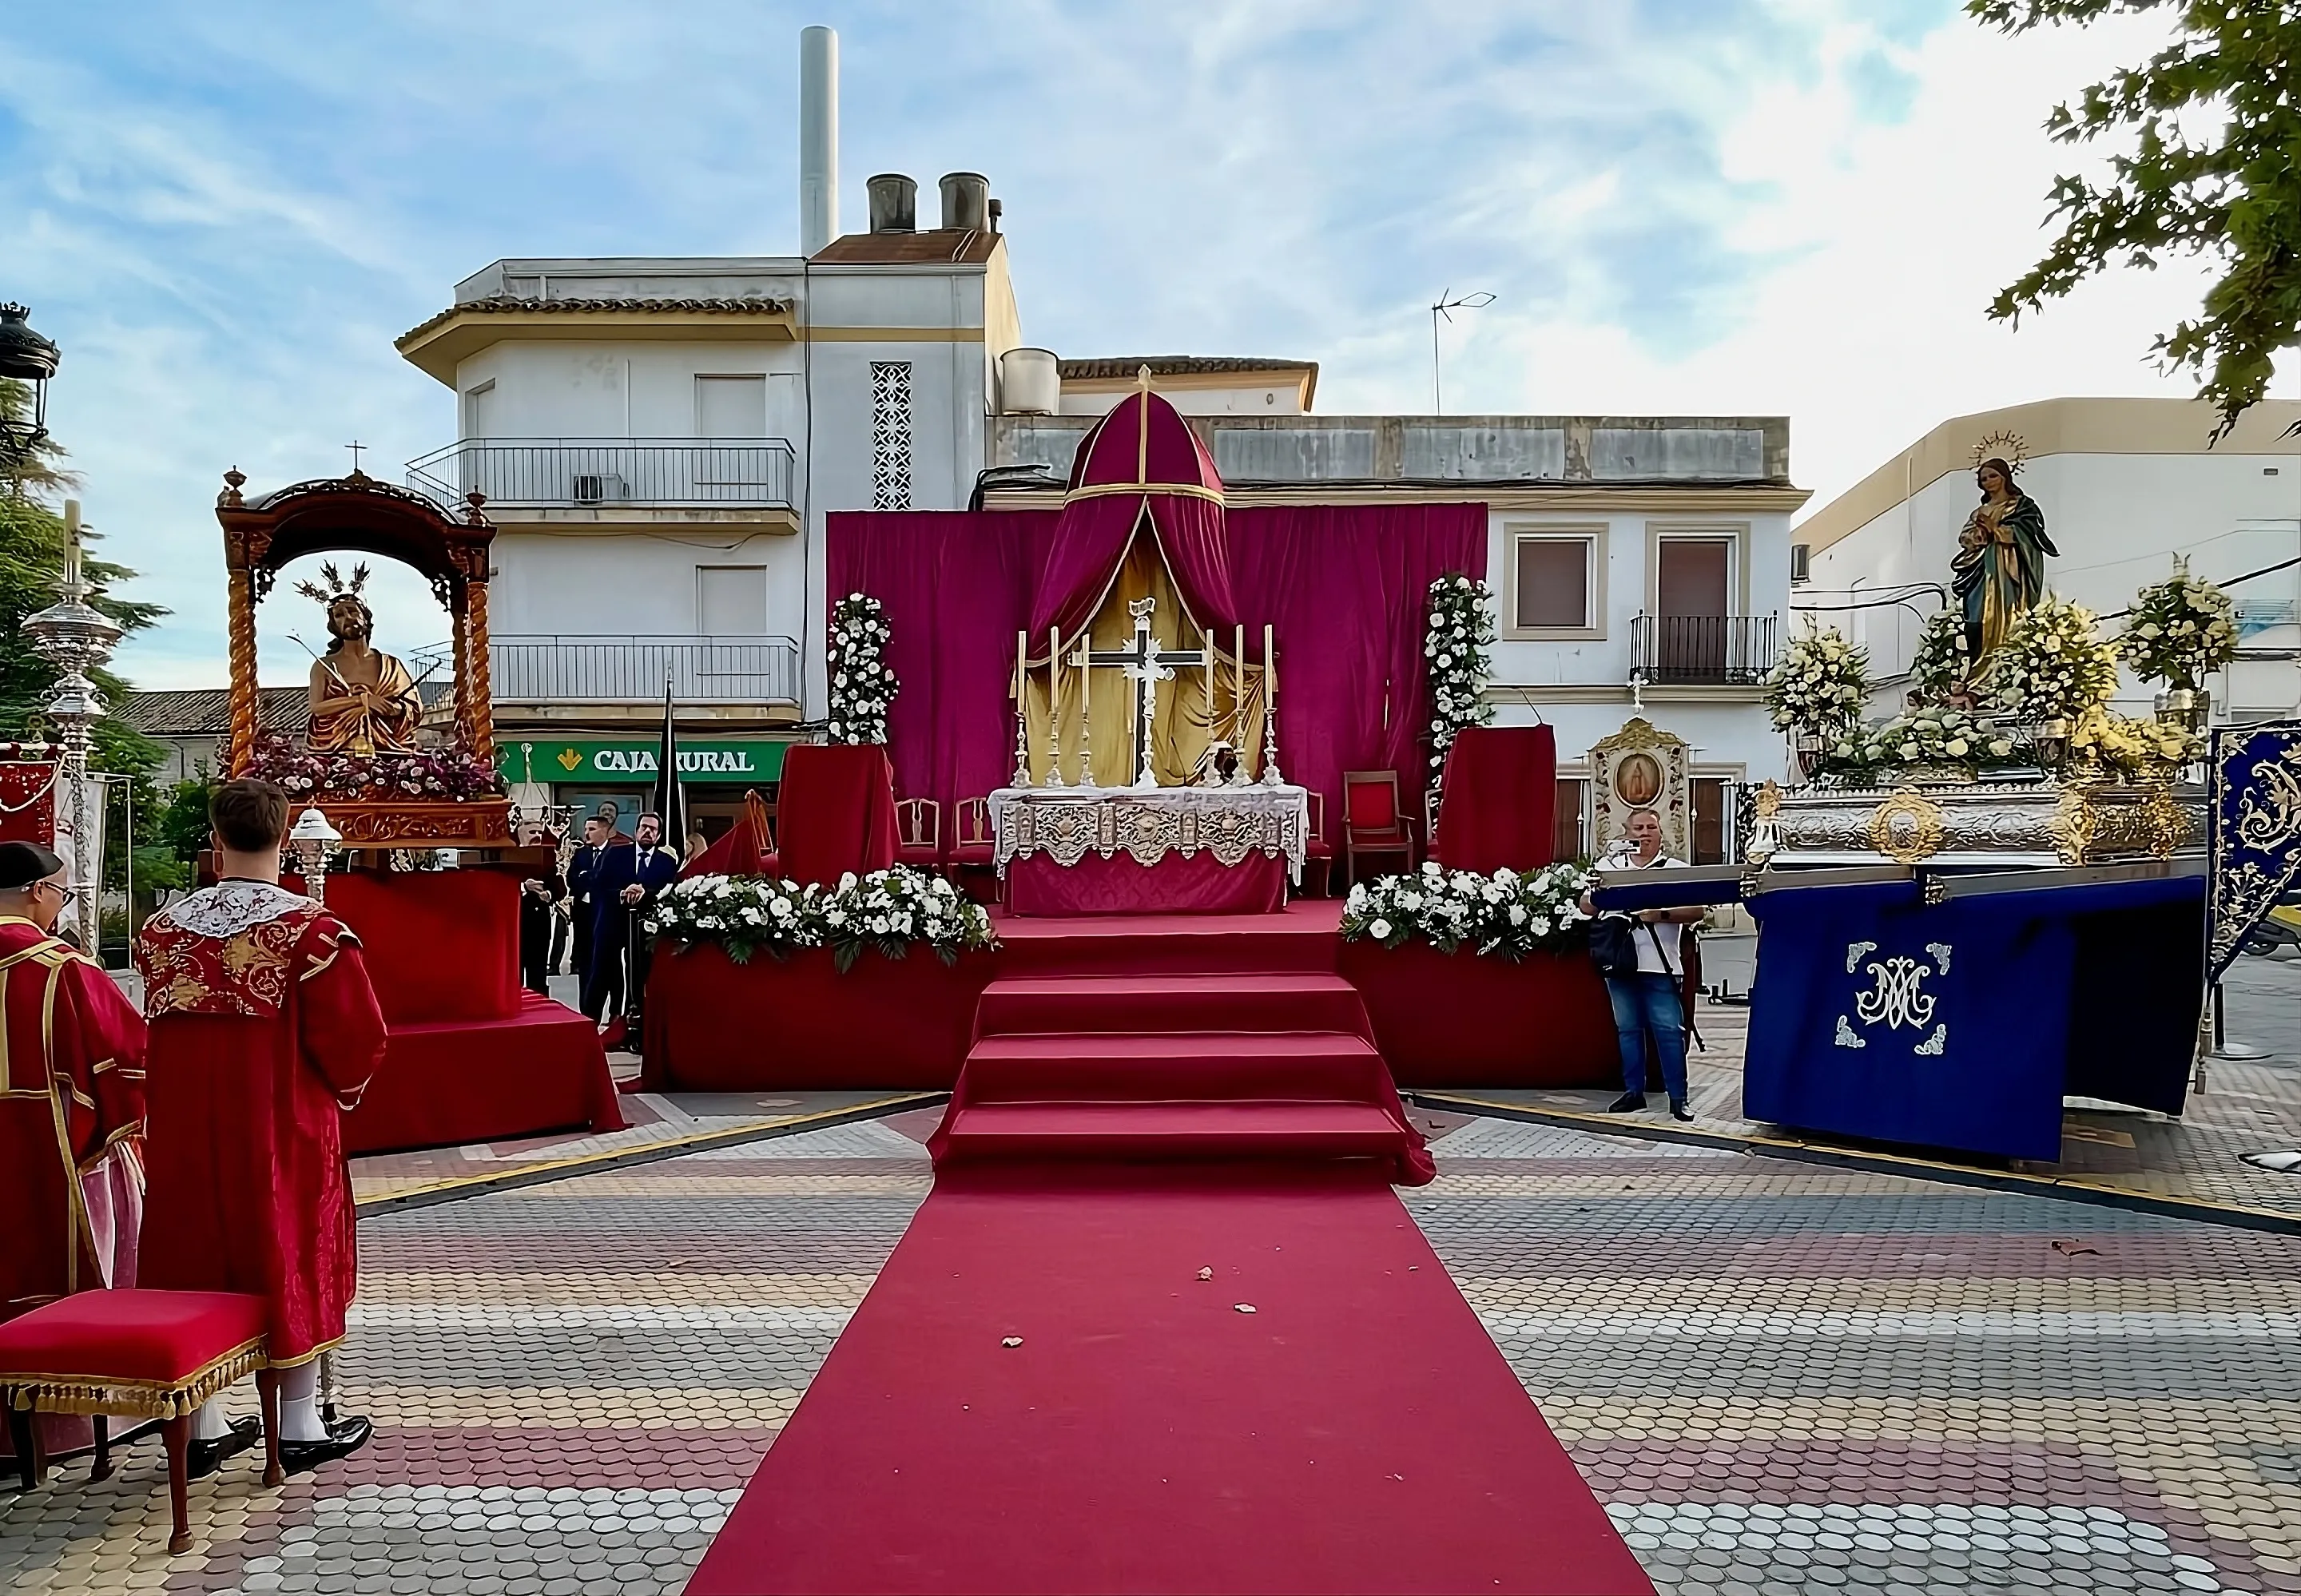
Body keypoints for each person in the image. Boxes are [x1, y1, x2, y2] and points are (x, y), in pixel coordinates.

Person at [134, 778, 388, 1476]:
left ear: (215, 842)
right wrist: (344, 1093)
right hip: (283, 1126)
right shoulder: (313, 933)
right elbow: (358, 1037)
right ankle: (300, 1423)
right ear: (285, 839)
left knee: (196, 1253)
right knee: (290, 1251)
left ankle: (205, 1422)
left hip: (185, 1129)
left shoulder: (162, 930)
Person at [0, 840, 149, 1463]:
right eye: (62, 893)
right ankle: (77, 1420)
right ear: (37, 892)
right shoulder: (62, 968)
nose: (61, 907)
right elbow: (130, 1059)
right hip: (56, 1150)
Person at [1582, 808, 1701, 1123]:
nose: (1644, 834)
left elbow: (1696, 910)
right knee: (1628, 1030)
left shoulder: (1675, 868)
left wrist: (1660, 915)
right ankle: (1634, 1093)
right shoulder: (1609, 866)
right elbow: (1586, 907)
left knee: (1669, 1032)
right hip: (1620, 962)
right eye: (1638, 828)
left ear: (1660, 833)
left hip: (1660, 963)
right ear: (1627, 832)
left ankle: (1679, 1099)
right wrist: (1597, 889)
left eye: (1651, 827)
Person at [296, 564, 423, 756]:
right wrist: (363, 700)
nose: (347, 617)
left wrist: (395, 709)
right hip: (336, 750)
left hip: (391, 751)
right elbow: (317, 708)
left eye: (352, 611)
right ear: (333, 626)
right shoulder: (324, 666)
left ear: (366, 617)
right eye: (339, 615)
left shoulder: (392, 665)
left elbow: (413, 707)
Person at [1956, 457, 2056, 663]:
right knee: (1977, 619)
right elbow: (1965, 537)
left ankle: (2006, 661)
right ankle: (1979, 664)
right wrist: (1979, 535)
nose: (1989, 481)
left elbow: (2030, 533)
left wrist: (1997, 530)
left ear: (2005, 477)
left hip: (2010, 570)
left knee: (2010, 616)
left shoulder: (2020, 505)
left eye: (1993, 476)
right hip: (1981, 570)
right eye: (1984, 479)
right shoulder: (1979, 512)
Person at [594, 812, 681, 1034]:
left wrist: (646, 892)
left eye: (653, 829)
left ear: (659, 835)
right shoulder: (616, 854)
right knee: (604, 972)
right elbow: (600, 886)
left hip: (645, 927)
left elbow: (669, 892)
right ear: (636, 830)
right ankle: (593, 1020)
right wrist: (623, 893)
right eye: (644, 827)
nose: (647, 832)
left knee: (639, 974)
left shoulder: (667, 862)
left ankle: (635, 1021)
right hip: (614, 922)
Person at [568, 816, 618, 1024]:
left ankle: (616, 1012)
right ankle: (587, 1013)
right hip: (584, 913)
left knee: (611, 964)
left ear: (605, 832)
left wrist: (589, 876)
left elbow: (606, 879)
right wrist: (590, 877)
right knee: (585, 962)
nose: (586, 833)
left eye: (591, 829)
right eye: (585, 828)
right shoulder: (581, 854)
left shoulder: (616, 854)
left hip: (606, 914)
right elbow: (572, 879)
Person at [517, 824, 566, 997]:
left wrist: (550, 894)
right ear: (521, 834)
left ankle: (539, 1009)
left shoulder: (547, 857)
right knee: (514, 971)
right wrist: (524, 887)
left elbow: (560, 886)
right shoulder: (510, 856)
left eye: (539, 832)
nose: (537, 835)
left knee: (538, 972)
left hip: (540, 923)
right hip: (515, 921)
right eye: (532, 832)